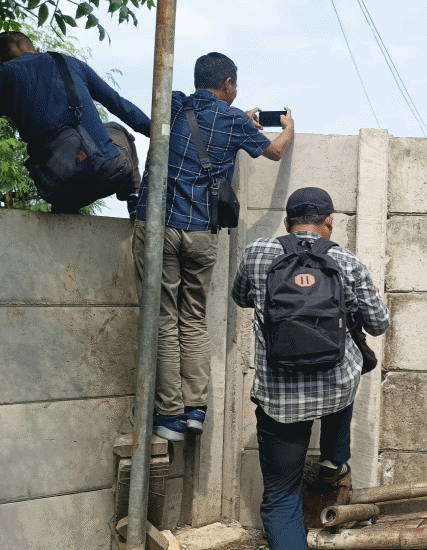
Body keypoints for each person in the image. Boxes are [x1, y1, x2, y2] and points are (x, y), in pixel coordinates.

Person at [132, 52, 295, 441]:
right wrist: (288, 128)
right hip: (202, 233)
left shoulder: (174, 104)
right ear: (228, 84)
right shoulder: (235, 121)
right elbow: (275, 151)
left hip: (160, 227)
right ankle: (195, 409)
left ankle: (169, 414)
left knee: (164, 319)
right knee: (193, 318)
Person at [231, 187, 390, 550]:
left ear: (288, 222)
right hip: (335, 389)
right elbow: (379, 323)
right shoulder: (347, 262)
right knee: (348, 374)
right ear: (329, 221)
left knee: (281, 496)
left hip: (279, 399)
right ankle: (335, 460)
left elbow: (241, 297)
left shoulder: (257, 253)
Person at [0, 30, 149, 213]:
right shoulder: (70, 63)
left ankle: (64, 212)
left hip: (59, 189)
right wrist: (161, 134)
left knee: (63, 189)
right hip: (109, 172)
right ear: (36, 49)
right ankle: (135, 197)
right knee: (116, 128)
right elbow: (121, 107)